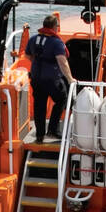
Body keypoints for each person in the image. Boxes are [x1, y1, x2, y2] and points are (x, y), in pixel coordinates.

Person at [25, 14, 73, 142]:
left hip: (36, 78)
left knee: (39, 105)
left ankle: (40, 134)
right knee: (61, 99)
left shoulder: (33, 39)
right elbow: (62, 62)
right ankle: (52, 130)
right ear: (54, 27)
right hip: (51, 79)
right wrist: (70, 79)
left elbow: (28, 55)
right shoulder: (56, 43)